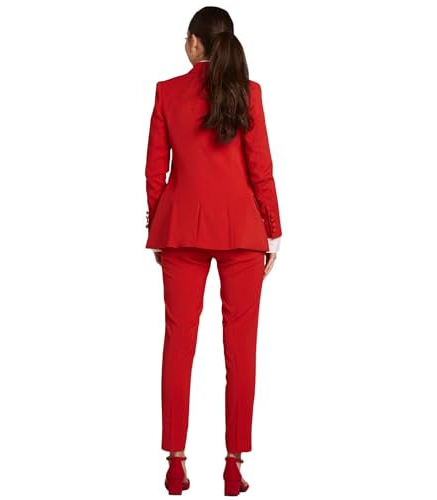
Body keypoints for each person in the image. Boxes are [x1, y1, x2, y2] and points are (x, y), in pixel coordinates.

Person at [144, 6, 282, 496]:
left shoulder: (167, 92)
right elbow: (260, 167)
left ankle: (175, 462)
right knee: (241, 349)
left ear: (195, 43)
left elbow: (155, 170)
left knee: (178, 344)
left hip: (181, 231)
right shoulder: (248, 92)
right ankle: (233, 463)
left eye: (188, 40)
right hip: (242, 232)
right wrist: (273, 231)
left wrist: (159, 224)